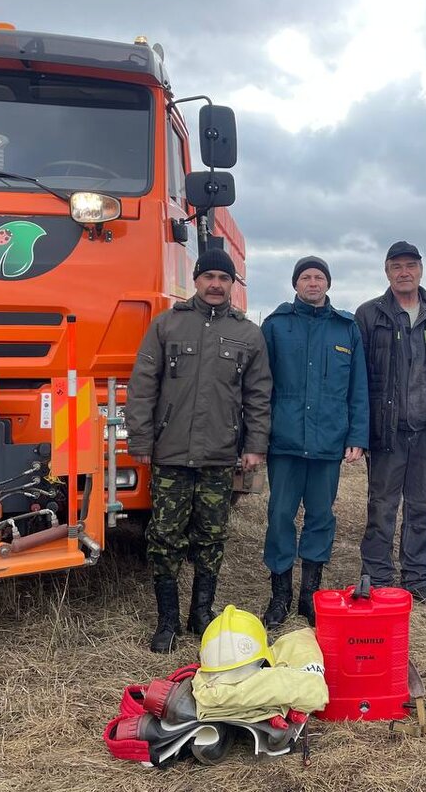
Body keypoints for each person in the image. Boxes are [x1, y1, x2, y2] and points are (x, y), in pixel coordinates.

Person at [126, 248, 271, 653]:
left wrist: (255, 446)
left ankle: (201, 614)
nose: (215, 284)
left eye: (223, 279)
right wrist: (140, 440)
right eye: (208, 276)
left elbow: (259, 395)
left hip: (219, 456)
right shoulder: (167, 325)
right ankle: (167, 621)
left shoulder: (248, 334)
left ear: (232, 285)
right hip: (170, 454)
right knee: (164, 537)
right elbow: (142, 387)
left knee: (211, 537)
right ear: (196, 280)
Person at [355, 241, 426, 605]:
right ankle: (378, 577)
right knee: (381, 507)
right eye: (396, 266)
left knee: (422, 508)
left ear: (421, 269)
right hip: (387, 431)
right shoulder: (369, 315)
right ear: (386, 272)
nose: (404, 272)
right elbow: (359, 377)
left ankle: (418, 578)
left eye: (410, 266)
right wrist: (360, 429)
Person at [260, 256, 368, 630]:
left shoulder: (346, 329)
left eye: (319, 277)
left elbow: (358, 389)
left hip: (328, 440)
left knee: (321, 516)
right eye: (305, 277)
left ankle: (309, 594)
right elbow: (260, 386)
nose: (312, 283)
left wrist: (357, 436)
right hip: (285, 441)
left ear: (328, 284)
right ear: (295, 284)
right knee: (279, 516)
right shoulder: (276, 326)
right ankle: (280, 594)